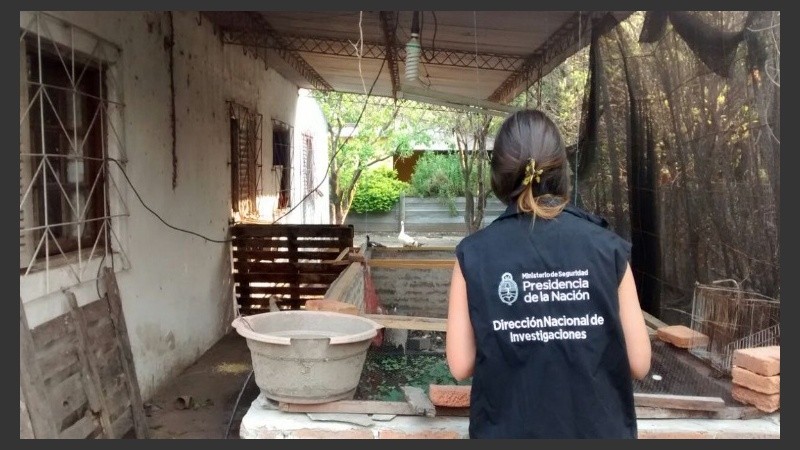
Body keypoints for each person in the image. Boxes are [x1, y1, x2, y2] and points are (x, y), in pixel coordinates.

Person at [446, 109, 652, 439]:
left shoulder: (473, 254)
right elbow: (640, 362)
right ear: (561, 170)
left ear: (498, 174)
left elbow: (460, 365)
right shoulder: (608, 250)